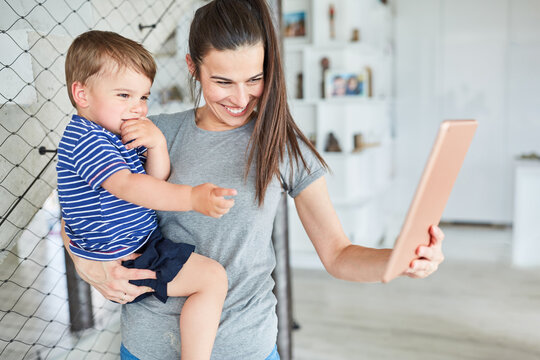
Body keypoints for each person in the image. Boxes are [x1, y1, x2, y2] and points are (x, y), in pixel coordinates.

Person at [60, 1, 445, 359]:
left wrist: (399, 261)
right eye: (223, 82)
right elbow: (78, 205)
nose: (241, 98)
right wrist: (87, 265)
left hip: (245, 347)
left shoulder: (283, 146)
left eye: (254, 79)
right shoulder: (150, 134)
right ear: (193, 67)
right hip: (148, 346)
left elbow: (338, 255)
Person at [58, 30, 235, 360]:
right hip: (125, 255)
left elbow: (155, 177)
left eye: (143, 97)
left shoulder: (112, 134)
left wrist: (157, 144)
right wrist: (193, 198)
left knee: (210, 278)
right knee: (212, 279)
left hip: (133, 245)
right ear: (81, 93)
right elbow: (131, 187)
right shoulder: (87, 139)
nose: (137, 108)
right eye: (124, 95)